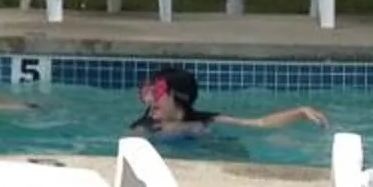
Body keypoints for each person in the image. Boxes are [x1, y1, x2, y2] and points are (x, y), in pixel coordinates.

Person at [128, 66, 327, 137]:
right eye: (149, 92)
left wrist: (299, 112)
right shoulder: (146, 127)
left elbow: (258, 124)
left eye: (159, 92)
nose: (151, 98)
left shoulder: (206, 121)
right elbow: (131, 146)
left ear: (179, 97)